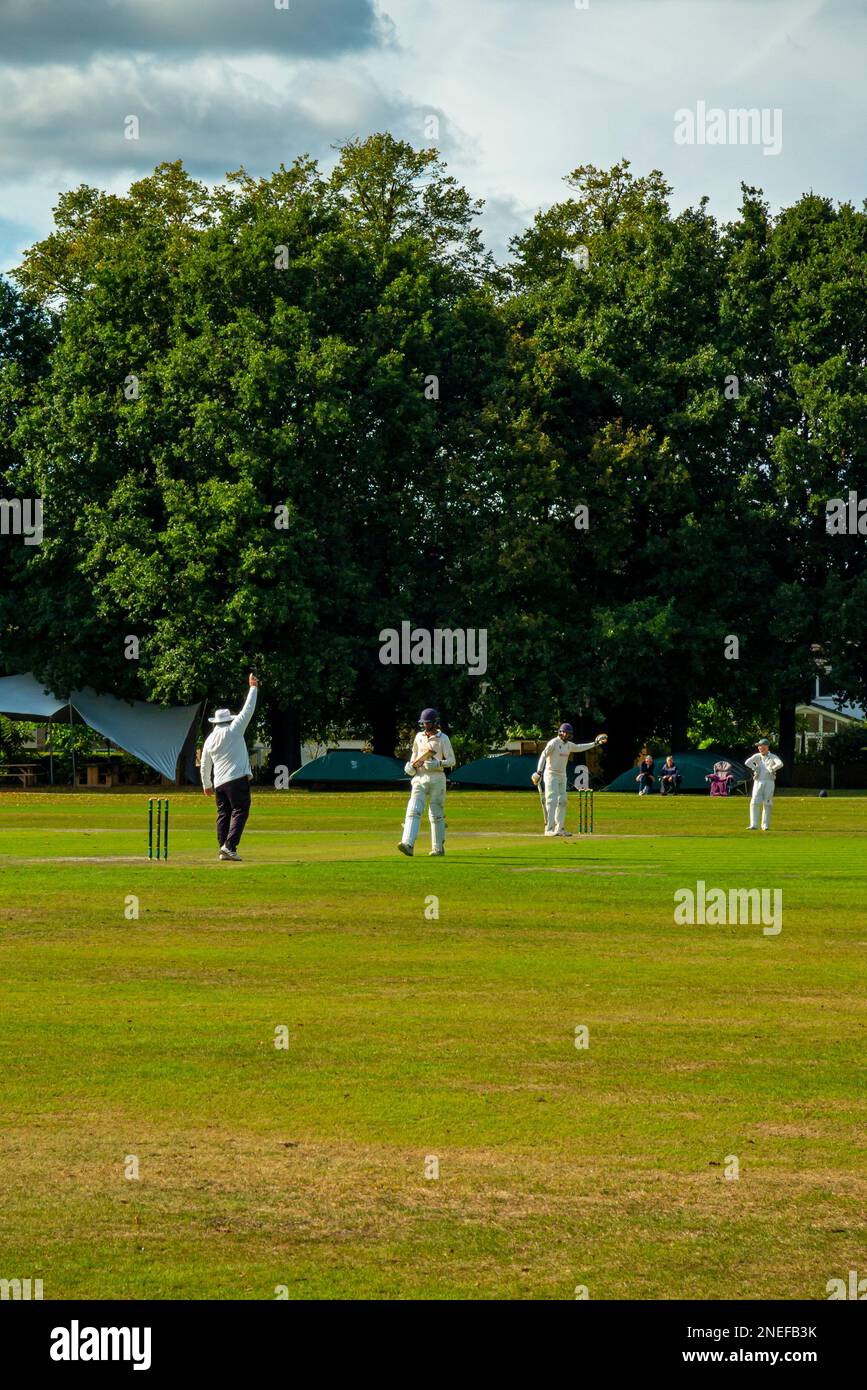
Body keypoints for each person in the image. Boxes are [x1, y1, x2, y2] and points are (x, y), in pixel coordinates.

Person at [200, 673, 259, 861]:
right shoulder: (234, 729)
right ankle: (229, 846)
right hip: (236, 779)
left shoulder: (209, 739)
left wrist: (206, 784)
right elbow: (248, 710)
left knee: (223, 813)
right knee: (241, 810)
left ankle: (223, 847)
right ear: (228, 720)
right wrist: (253, 688)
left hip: (219, 783)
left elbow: (204, 763)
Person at [398, 709, 456, 857]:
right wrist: (410, 766)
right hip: (420, 777)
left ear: (435, 722)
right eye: (423, 722)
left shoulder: (443, 738)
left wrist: (438, 764)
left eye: (428, 722)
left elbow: (452, 761)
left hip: (437, 778)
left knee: (435, 813)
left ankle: (438, 849)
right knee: (413, 809)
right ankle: (408, 844)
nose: (425, 725)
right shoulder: (419, 737)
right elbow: (415, 757)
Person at [531, 724, 608, 836]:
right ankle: (548, 829)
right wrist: (539, 772)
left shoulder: (568, 745)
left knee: (562, 801)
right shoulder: (553, 743)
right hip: (551, 774)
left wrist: (594, 744)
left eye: (569, 733)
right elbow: (543, 755)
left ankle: (559, 829)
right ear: (560, 732)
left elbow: (579, 747)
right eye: (566, 733)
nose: (568, 735)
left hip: (562, 775)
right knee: (551, 801)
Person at [744, 737, 784, 831]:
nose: (759, 748)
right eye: (759, 747)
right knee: (754, 802)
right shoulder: (757, 756)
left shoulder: (772, 756)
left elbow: (780, 764)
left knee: (767, 803)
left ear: (766, 747)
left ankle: (765, 825)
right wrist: (755, 768)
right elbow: (747, 762)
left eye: (761, 746)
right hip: (758, 781)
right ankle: (754, 824)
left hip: (769, 782)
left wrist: (772, 768)